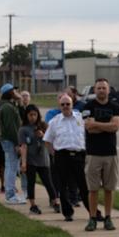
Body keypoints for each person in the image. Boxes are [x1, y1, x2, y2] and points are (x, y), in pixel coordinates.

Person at [82, 78, 119, 232]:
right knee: (93, 189)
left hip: (110, 153)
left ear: (108, 90)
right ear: (95, 90)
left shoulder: (115, 107)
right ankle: (92, 218)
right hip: (93, 153)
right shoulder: (88, 106)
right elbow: (89, 128)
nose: (101, 90)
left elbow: (116, 127)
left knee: (109, 188)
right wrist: (108, 126)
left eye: (103, 88)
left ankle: (108, 218)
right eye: (98, 88)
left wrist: (97, 124)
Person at [44, 94, 91, 222]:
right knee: (62, 186)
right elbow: (47, 141)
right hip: (62, 156)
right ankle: (67, 213)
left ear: (72, 105)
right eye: (63, 104)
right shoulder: (55, 121)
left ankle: (92, 212)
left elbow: (88, 135)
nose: (65, 106)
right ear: (59, 106)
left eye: (68, 104)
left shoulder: (80, 119)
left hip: (78, 155)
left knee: (83, 186)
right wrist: (54, 153)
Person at [19, 104, 59, 215]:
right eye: (30, 115)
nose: (33, 117)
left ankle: (55, 201)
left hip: (43, 159)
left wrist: (43, 135)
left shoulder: (43, 125)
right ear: (26, 115)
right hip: (31, 160)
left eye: (35, 115)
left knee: (48, 182)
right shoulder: (23, 129)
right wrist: (24, 162)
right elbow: (23, 146)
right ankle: (32, 204)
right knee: (31, 182)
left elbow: (51, 140)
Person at [0, 83, 26, 204]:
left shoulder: (8, 105)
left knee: (10, 166)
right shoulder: (7, 108)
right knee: (11, 167)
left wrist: (19, 102)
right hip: (10, 140)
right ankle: (10, 195)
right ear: (9, 93)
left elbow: (20, 117)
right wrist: (17, 143)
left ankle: (10, 192)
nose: (16, 93)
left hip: (8, 140)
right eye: (14, 91)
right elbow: (11, 128)